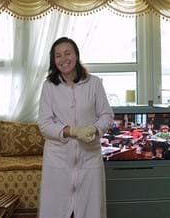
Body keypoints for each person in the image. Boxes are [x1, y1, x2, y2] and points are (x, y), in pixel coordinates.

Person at [38, 37, 114, 218]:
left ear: (76, 55)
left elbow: (107, 115)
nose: (63, 59)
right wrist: (72, 131)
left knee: (91, 210)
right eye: (58, 55)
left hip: (89, 157)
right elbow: (45, 124)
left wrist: (94, 129)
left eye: (67, 53)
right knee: (54, 210)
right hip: (58, 159)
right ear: (53, 61)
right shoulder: (49, 86)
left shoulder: (94, 83)